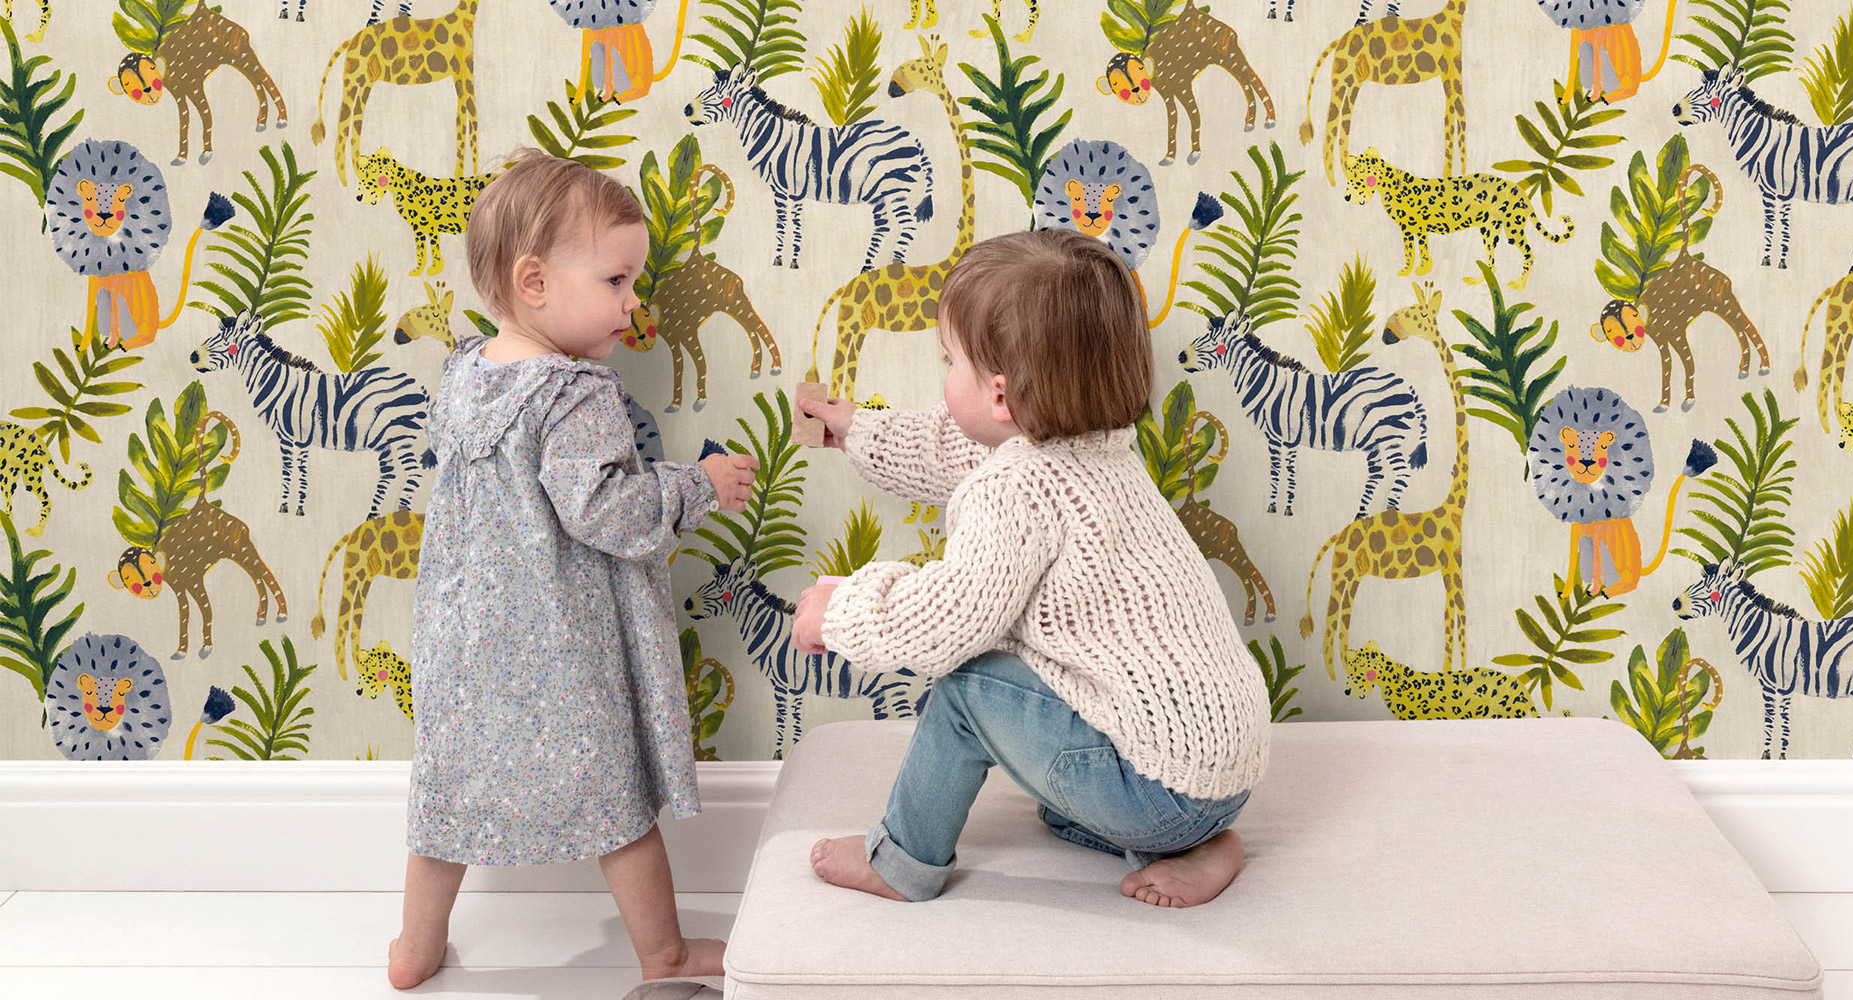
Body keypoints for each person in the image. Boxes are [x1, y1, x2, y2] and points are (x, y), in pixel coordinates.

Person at [791, 228, 1271, 908]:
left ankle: (901, 860)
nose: (945, 377)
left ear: (1000, 395)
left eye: (949, 361)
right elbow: (954, 448)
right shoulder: (1097, 450)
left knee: (965, 685)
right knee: (1055, 796)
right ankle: (1200, 842)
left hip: (1158, 786)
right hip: (1221, 773)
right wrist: (859, 429)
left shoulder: (1017, 488)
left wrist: (839, 611)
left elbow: (946, 622)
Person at [389, 149, 757, 989]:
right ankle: (663, 954)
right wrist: (695, 485)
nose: (635, 304)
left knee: (444, 799)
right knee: (617, 808)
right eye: (619, 281)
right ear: (535, 282)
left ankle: (414, 950)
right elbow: (610, 515)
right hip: (560, 646)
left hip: (463, 642)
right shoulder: (574, 394)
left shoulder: (464, 377)